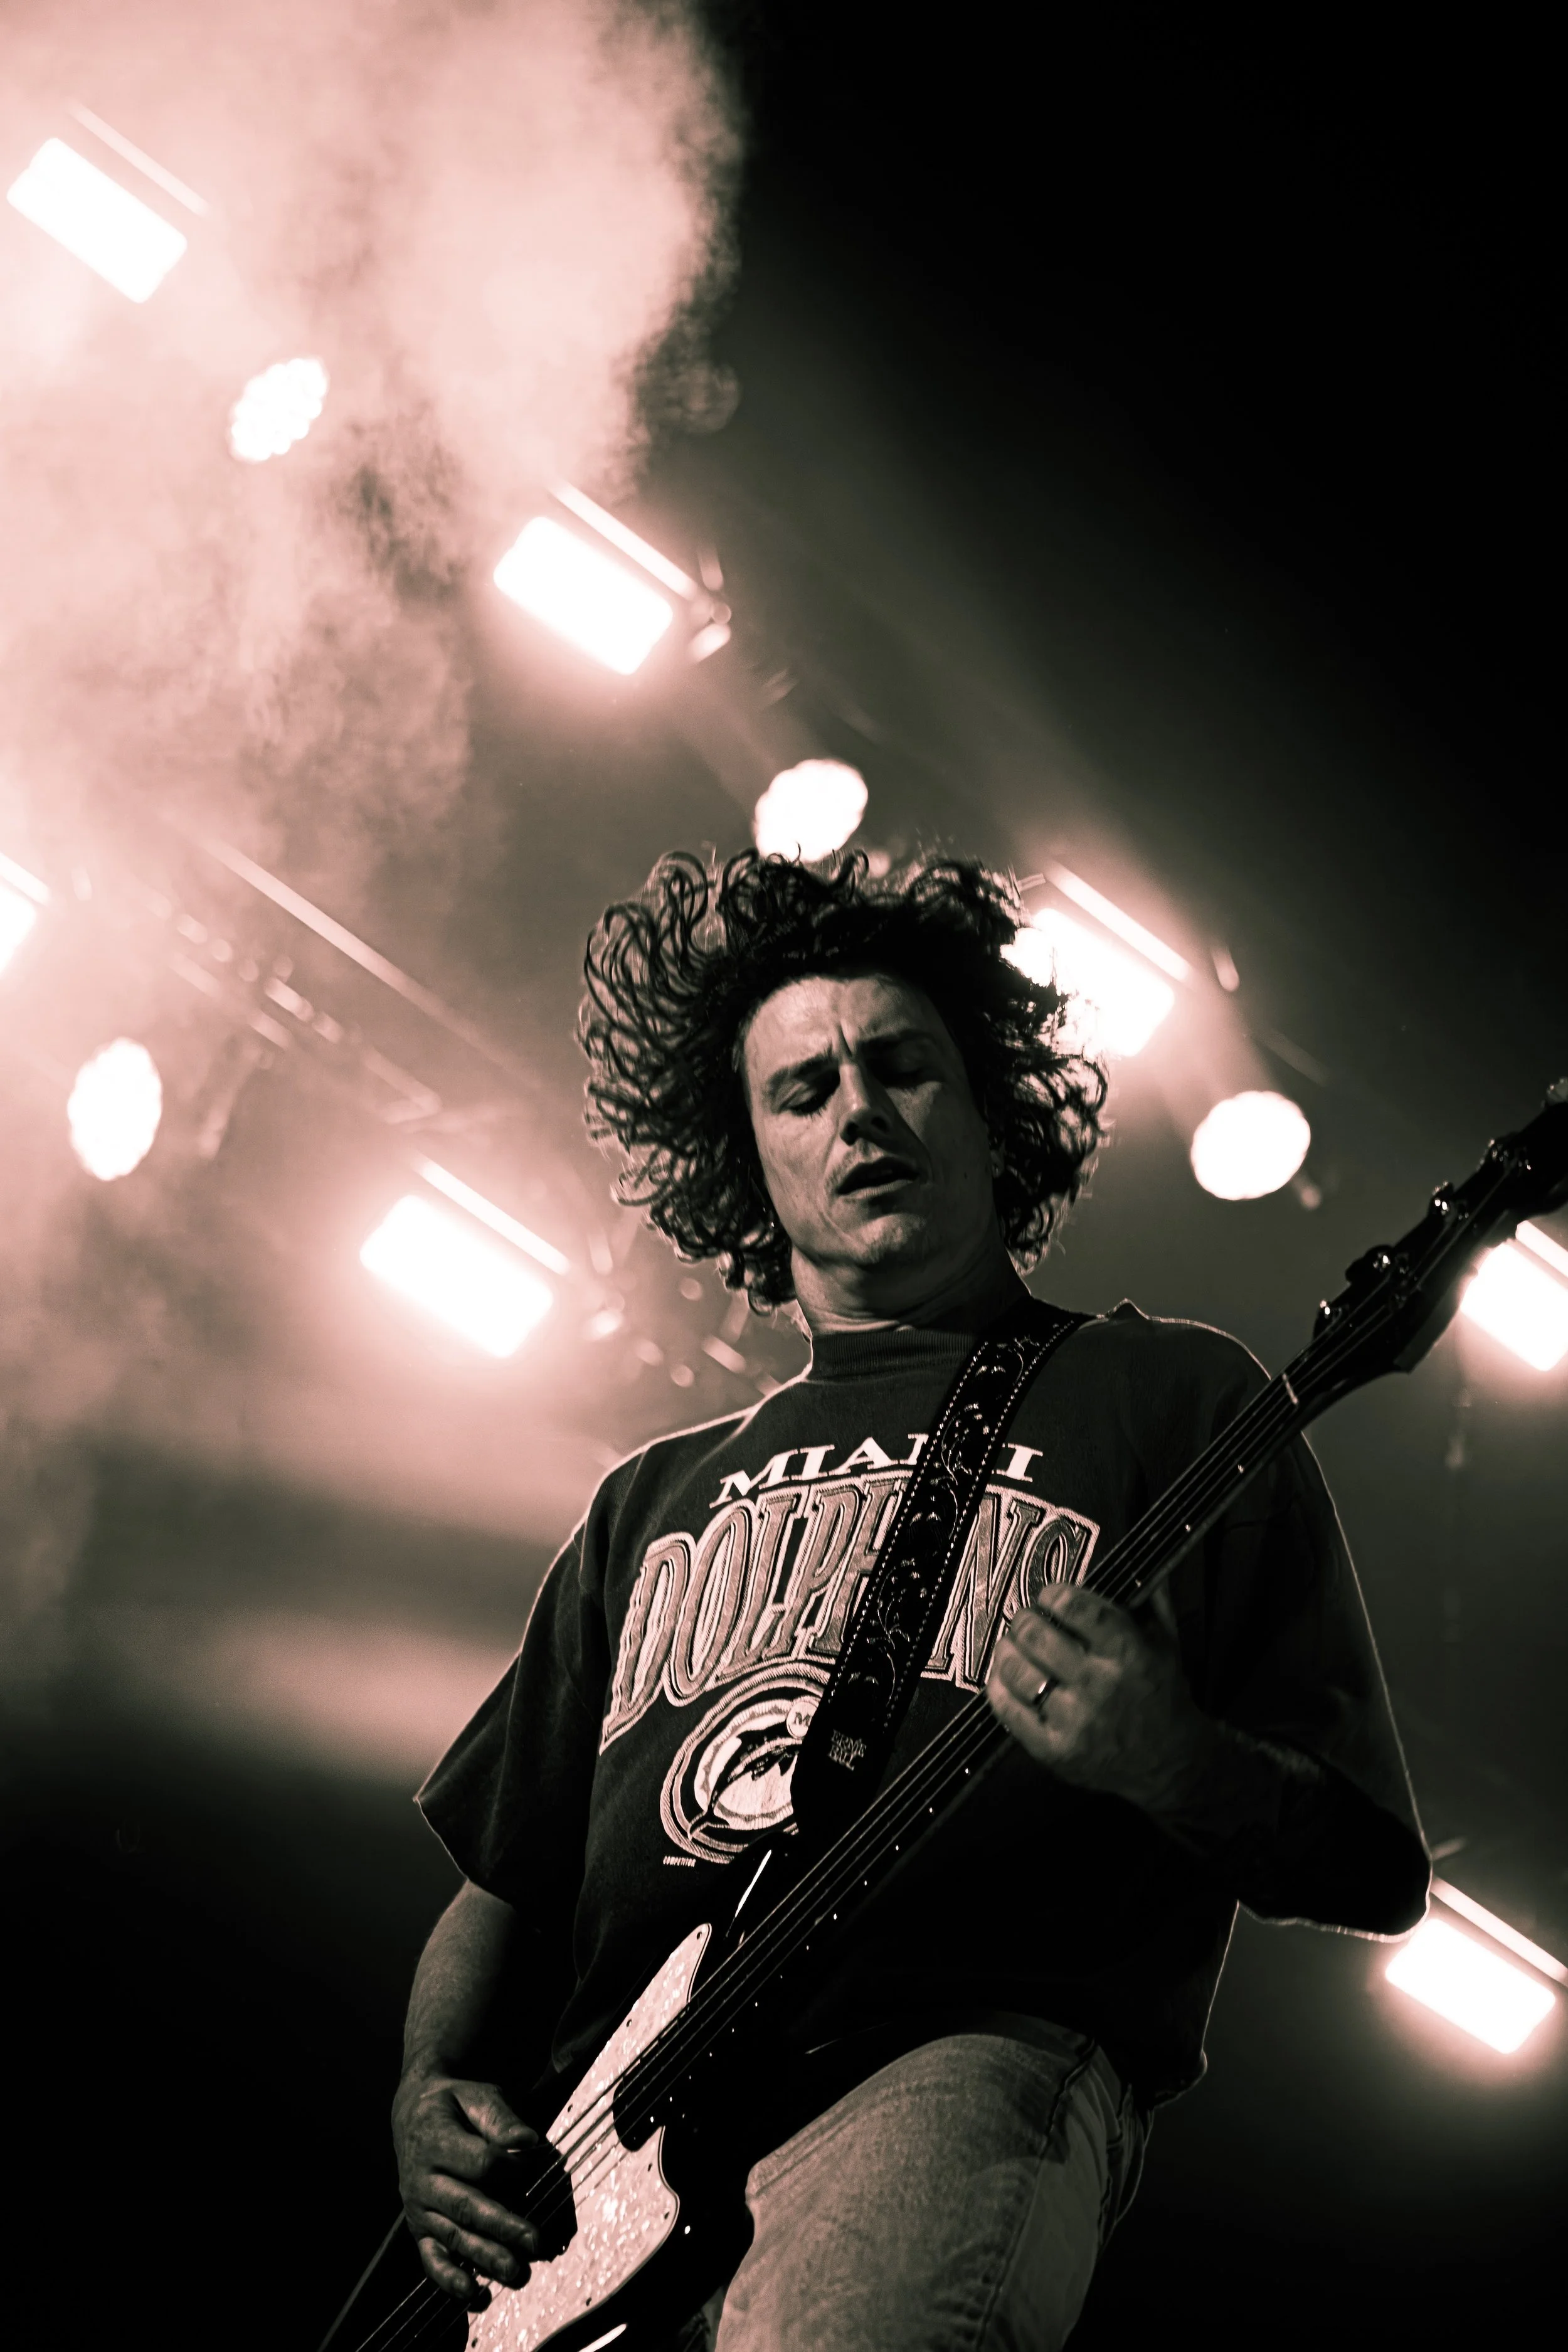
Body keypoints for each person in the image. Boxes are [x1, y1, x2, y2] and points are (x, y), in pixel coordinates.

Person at [392, 850, 1428, 2351]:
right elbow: (503, 1885)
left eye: (900, 1066)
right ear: (745, 1159)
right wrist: (428, 2092)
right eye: (801, 1091)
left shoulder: (1163, 1394)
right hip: (594, 2187)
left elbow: (1371, 1866)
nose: (858, 1113)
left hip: (948, 2060)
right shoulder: (646, 1498)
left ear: (987, 1110)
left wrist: (1172, 1762)